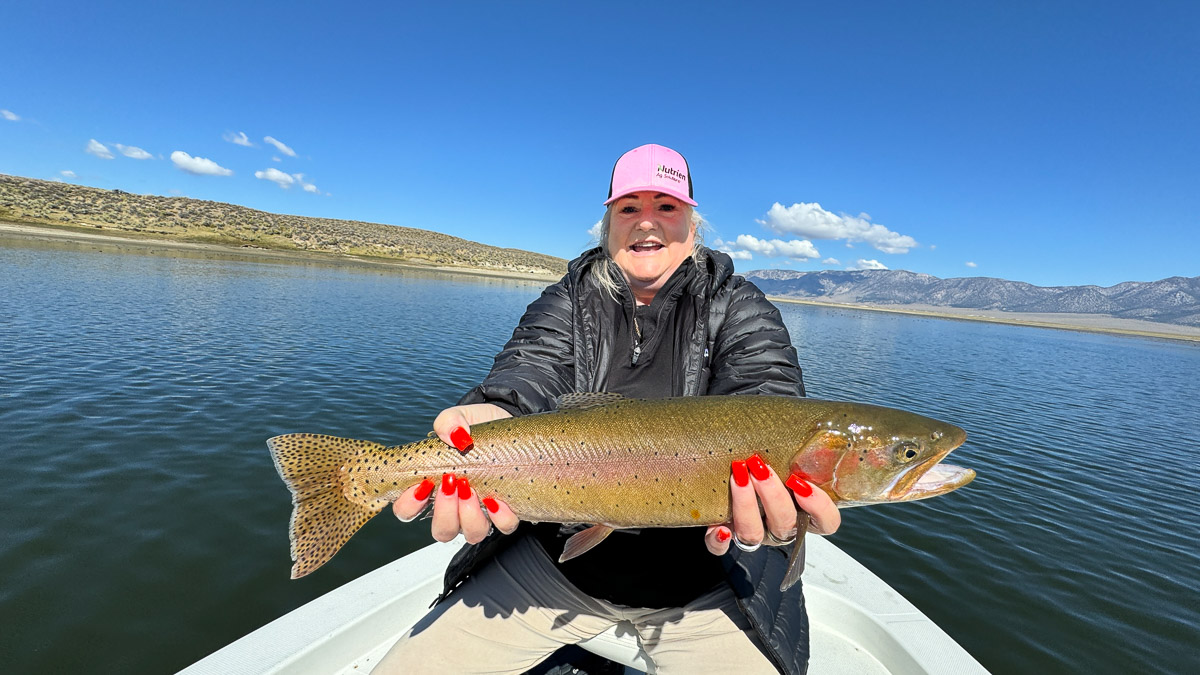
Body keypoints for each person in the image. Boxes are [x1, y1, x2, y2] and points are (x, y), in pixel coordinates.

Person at [375, 144, 841, 674]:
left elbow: (768, 396)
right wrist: (493, 412)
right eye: (629, 207)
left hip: (710, 584)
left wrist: (782, 486)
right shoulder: (567, 300)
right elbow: (530, 369)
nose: (647, 222)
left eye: (666, 207)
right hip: (550, 568)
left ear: (693, 223)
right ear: (608, 223)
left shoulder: (738, 306)